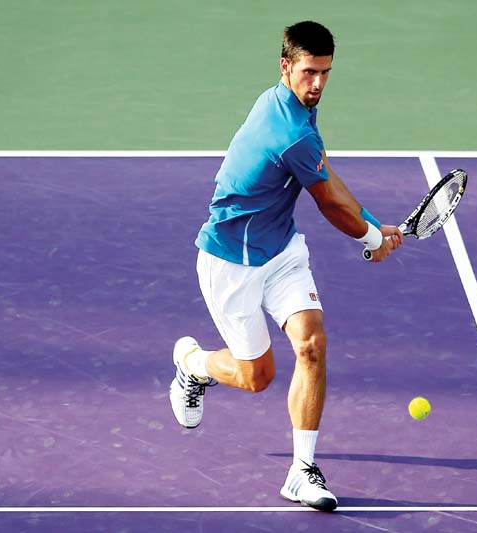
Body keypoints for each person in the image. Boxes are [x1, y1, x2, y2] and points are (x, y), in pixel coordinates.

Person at [169, 20, 403, 512]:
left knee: (312, 345)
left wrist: (375, 223)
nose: (318, 83)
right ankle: (191, 364)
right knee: (257, 377)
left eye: (326, 73)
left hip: (280, 253)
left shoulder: (289, 105)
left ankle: (302, 471)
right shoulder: (289, 130)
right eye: (309, 72)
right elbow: (329, 204)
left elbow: (326, 175)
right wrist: (368, 237)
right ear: (286, 66)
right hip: (229, 263)